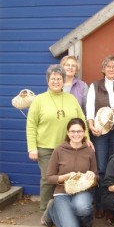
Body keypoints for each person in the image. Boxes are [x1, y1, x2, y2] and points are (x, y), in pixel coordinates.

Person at [26, 64, 89, 211]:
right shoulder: (39, 100)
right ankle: (45, 210)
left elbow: (81, 120)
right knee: (48, 179)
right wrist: (32, 148)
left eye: (59, 78)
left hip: (68, 147)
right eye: (53, 78)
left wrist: (87, 139)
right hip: (45, 147)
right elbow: (31, 125)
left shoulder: (71, 99)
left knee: (67, 179)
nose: (56, 81)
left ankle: (63, 210)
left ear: (63, 80)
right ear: (47, 81)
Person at [41, 118, 99, 227]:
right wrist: (65, 177)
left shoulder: (89, 151)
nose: (76, 134)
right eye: (72, 131)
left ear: (84, 132)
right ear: (67, 132)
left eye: (79, 131)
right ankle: (52, 209)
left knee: (82, 207)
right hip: (62, 193)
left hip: (82, 192)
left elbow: (96, 175)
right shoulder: (59, 150)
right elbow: (49, 177)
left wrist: (92, 176)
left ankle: (85, 223)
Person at [86, 55, 114, 223]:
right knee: (101, 167)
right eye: (108, 66)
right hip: (100, 131)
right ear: (103, 69)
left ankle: (113, 206)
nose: (111, 69)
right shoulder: (94, 86)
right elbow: (89, 108)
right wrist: (90, 125)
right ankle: (101, 204)